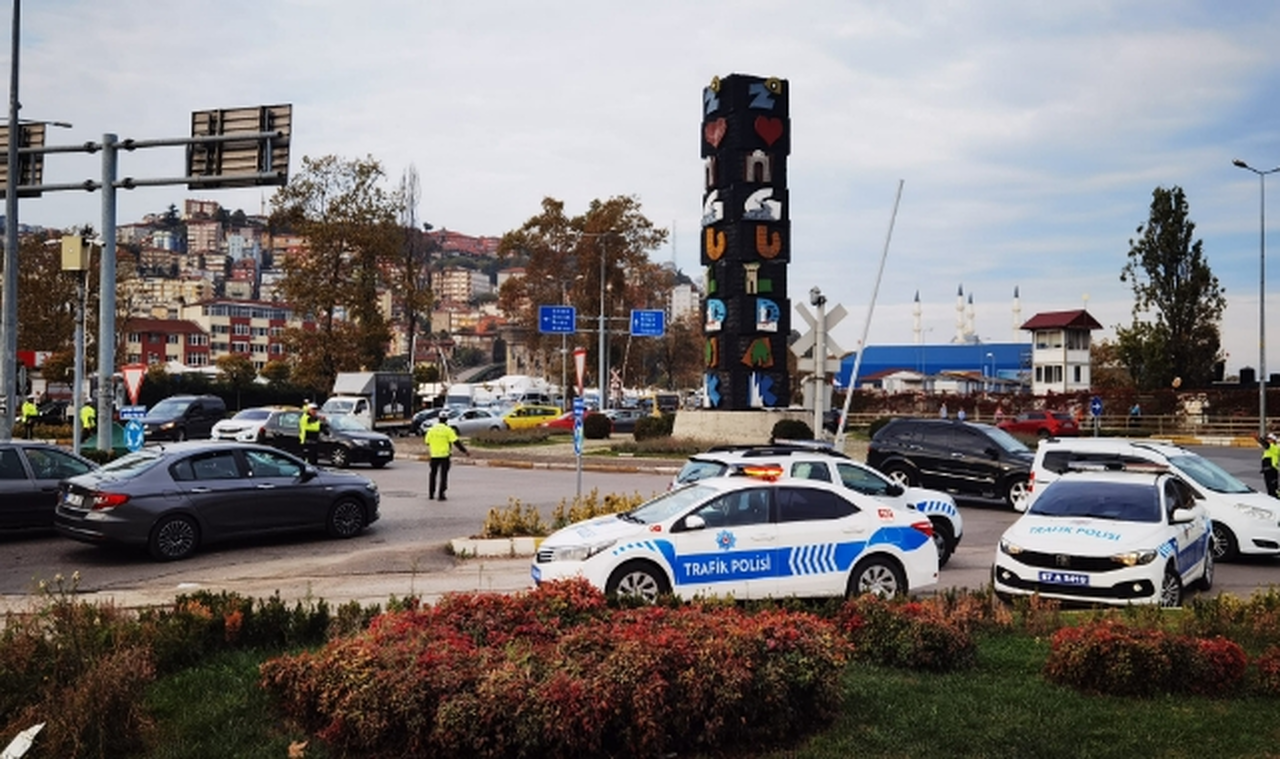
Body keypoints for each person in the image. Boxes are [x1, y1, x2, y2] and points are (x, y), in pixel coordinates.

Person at [425, 410, 469, 501]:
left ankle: (431, 494)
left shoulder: (431, 429)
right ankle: (441, 495)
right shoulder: (448, 430)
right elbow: (456, 442)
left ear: (438, 419)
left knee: (433, 475)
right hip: (444, 455)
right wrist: (464, 451)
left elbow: (427, 442)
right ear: (446, 420)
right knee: (443, 475)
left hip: (434, 456)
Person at [1261, 433, 1280, 498]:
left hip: (1272, 470)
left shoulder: (1273, 447)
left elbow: (1265, 444)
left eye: (1269, 439)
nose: (1267, 440)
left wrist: (1257, 438)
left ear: (1273, 440)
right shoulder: (1269, 449)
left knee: (1273, 490)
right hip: (1268, 471)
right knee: (1270, 489)